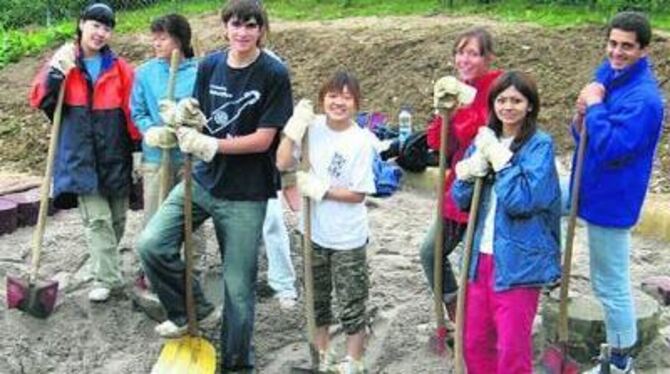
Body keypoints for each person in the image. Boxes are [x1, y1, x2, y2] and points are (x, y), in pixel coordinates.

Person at [136, 0, 293, 371]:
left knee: (238, 291)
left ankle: (237, 364)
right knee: (152, 244)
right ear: (225, 27)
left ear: (261, 30)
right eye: (236, 25)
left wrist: (212, 145)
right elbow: (201, 120)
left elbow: (264, 139)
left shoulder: (273, 73)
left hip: (245, 195)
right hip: (202, 181)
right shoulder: (209, 65)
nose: (242, 32)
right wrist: (183, 121)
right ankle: (192, 309)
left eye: (251, 26)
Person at [452, 71, 561, 374]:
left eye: (516, 100)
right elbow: (461, 200)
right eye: (501, 100)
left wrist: (500, 159)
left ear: (530, 106)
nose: (508, 107)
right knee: (474, 342)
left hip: (518, 263)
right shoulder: (485, 139)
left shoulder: (539, 146)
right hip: (478, 259)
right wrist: (469, 170)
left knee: (511, 348)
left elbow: (521, 201)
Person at [573, 11, 664, 374]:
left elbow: (612, 147)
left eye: (627, 46)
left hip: (612, 199)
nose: (617, 51)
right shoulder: (609, 74)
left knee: (610, 284)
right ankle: (545, 271)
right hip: (589, 183)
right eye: (613, 43)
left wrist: (594, 106)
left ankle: (620, 360)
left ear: (643, 50)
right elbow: (588, 138)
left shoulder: (645, 100)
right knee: (543, 200)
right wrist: (580, 119)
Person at [29, 2, 138, 302]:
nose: (100, 32)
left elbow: (133, 111)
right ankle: (109, 280)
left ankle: (103, 267)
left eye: (106, 27)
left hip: (115, 153)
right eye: (95, 25)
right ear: (81, 24)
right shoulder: (65, 62)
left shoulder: (120, 68)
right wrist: (55, 73)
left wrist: (138, 148)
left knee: (117, 220)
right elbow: (38, 98)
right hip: (80, 156)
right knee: (98, 220)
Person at [276, 71, 376, 374]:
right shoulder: (311, 129)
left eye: (346, 97)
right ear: (323, 99)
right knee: (316, 300)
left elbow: (358, 194)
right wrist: (293, 130)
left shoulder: (360, 140)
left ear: (356, 103)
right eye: (333, 95)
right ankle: (321, 358)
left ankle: (354, 362)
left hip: (347, 237)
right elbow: (282, 163)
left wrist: (320, 190)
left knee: (351, 302)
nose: (339, 102)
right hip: (312, 233)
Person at [418, 27, 503, 348]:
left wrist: (462, 115)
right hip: (458, 189)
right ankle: (456, 312)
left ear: (487, 58)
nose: (464, 59)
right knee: (431, 253)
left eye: (473, 53)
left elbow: (483, 134)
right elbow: (437, 143)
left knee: (476, 267)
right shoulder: (455, 90)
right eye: (461, 52)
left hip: (486, 193)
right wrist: (445, 114)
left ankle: (482, 331)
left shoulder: (497, 89)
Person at [130, 13, 210, 293]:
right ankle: (155, 277)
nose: (156, 43)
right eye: (154, 38)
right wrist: (151, 131)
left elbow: (207, 113)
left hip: (190, 159)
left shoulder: (201, 71)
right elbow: (137, 111)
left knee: (192, 220)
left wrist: (189, 121)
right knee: (154, 220)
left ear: (180, 40)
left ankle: (192, 277)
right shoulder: (145, 73)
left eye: (162, 38)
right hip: (156, 158)